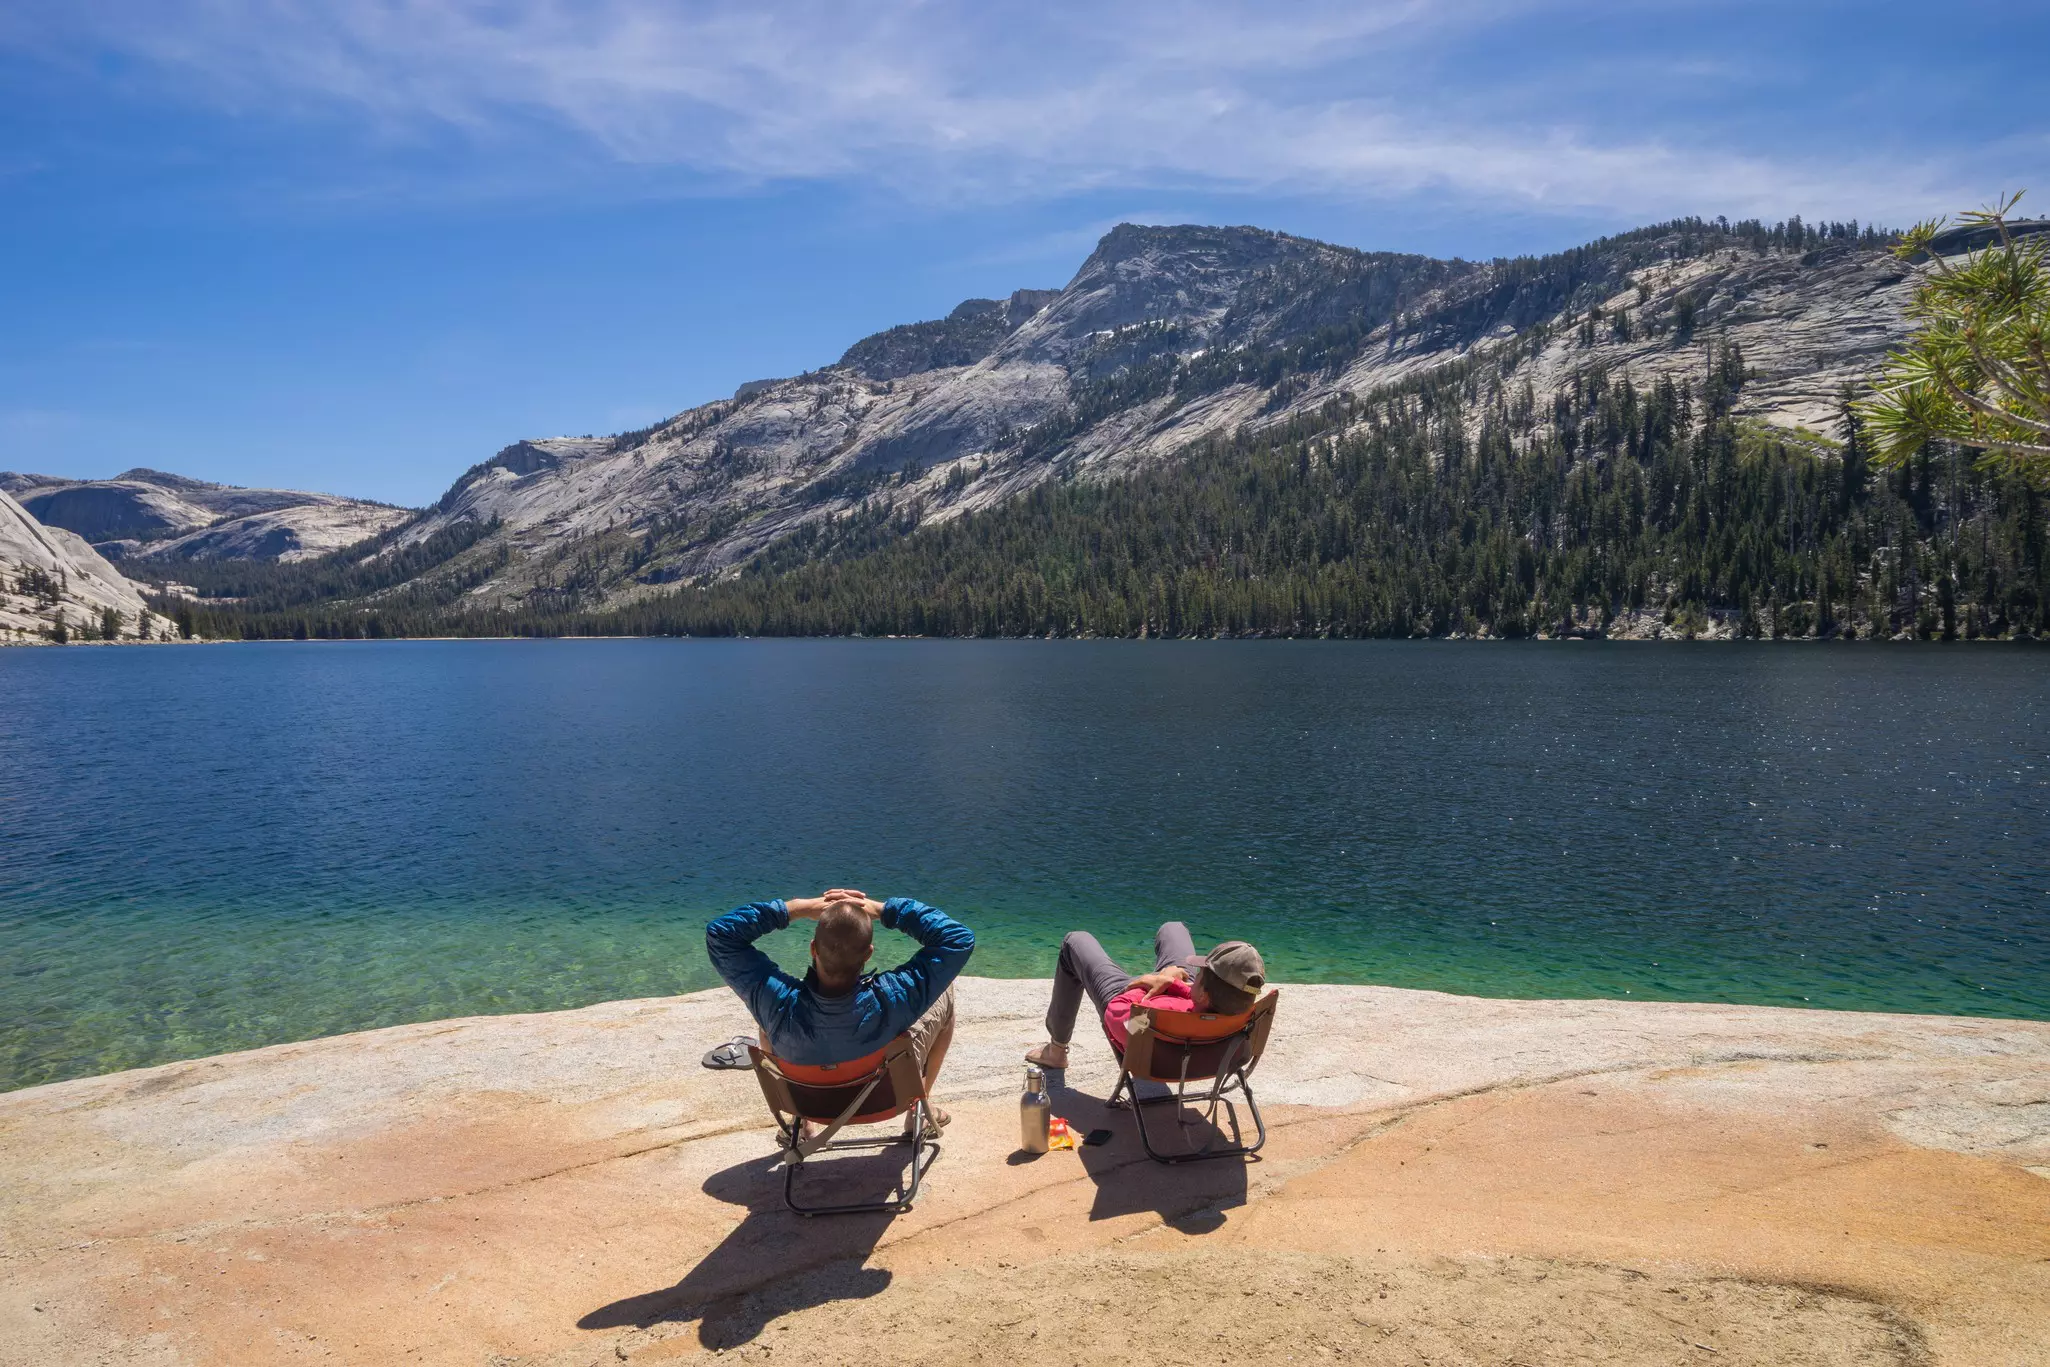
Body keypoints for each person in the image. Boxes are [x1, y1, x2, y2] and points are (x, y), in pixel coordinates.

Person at [706, 888, 973, 1131]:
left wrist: (796, 908)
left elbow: (721, 935)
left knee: (766, 1020)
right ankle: (918, 1112)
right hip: (886, 1101)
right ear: (868, 954)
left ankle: (801, 1126)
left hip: (807, 1103)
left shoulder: (778, 1003)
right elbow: (957, 938)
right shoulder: (893, 998)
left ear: (813, 949)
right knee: (944, 990)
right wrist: (884, 910)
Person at [1024, 922, 1265, 1069]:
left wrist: (1145, 983)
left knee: (1074, 941)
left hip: (1146, 1017)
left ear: (1202, 993)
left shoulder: (1153, 1019)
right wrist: (1170, 981)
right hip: (1204, 1046)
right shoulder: (1242, 1016)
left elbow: (1119, 1019)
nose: (1198, 971)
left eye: (1201, 973)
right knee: (1173, 928)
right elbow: (1196, 998)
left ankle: (1057, 1051)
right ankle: (1170, 974)